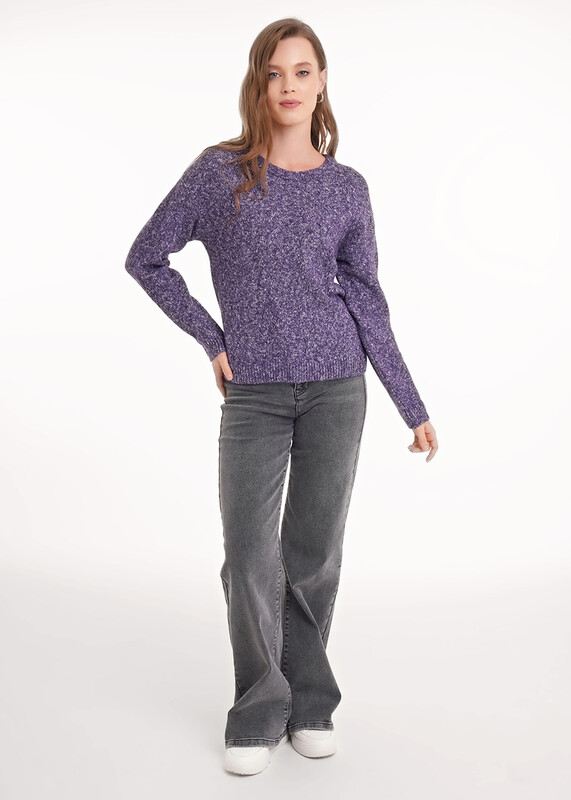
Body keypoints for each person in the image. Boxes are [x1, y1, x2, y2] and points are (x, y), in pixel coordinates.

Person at [125, 17, 438, 777]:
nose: (288, 85)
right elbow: (147, 257)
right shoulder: (219, 174)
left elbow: (366, 300)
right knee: (247, 555)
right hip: (255, 394)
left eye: (302, 71)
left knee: (313, 555)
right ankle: (259, 707)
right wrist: (212, 338)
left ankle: (310, 705)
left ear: (322, 82)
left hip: (337, 388)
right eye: (274, 72)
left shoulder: (346, 188)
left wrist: (411, 404)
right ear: (257, 83)